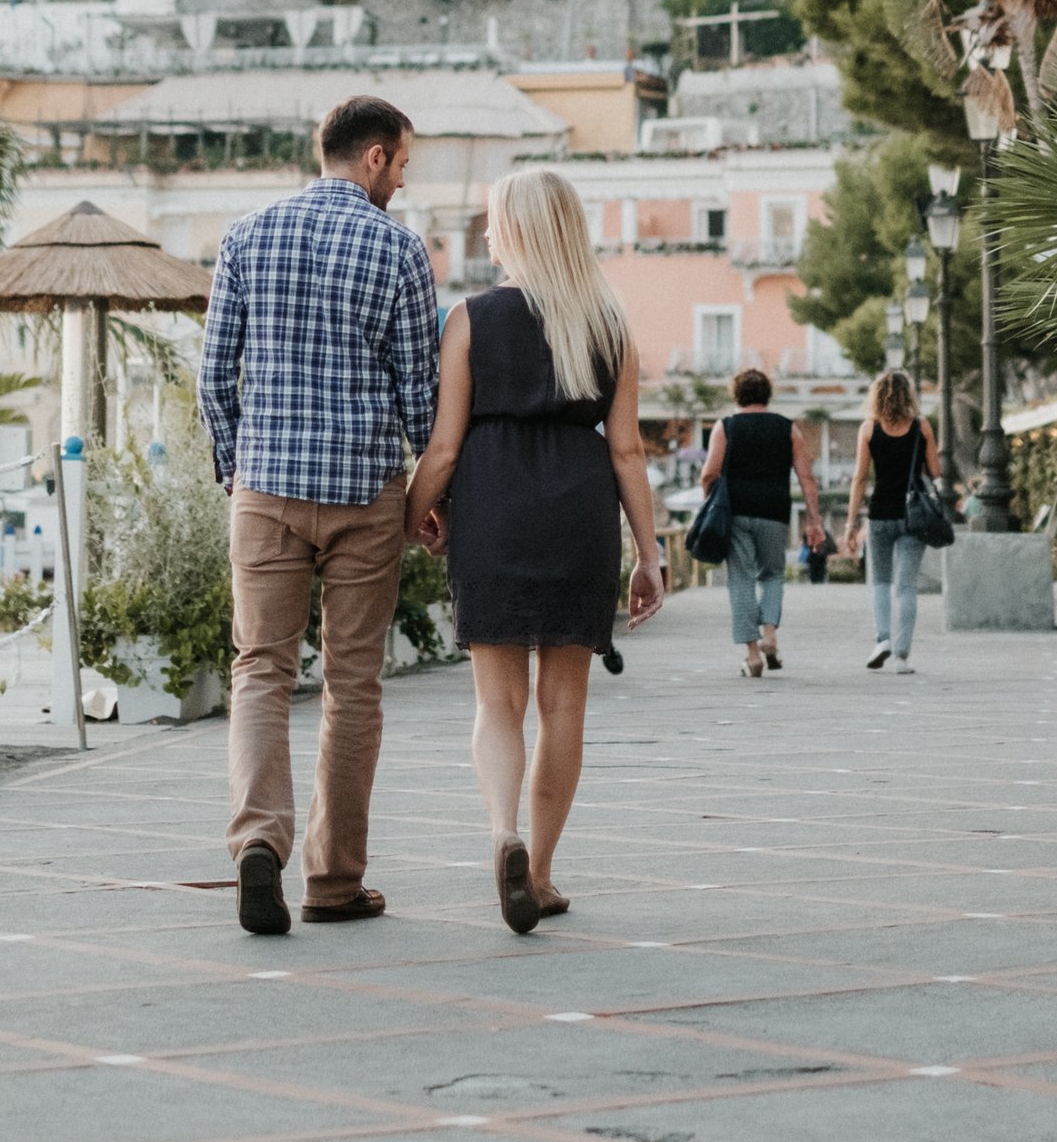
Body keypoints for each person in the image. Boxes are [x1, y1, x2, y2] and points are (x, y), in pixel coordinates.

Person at [198, 93, 439, 937]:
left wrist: (239, 472)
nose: (402, 182)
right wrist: (427, 498)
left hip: (265, 488)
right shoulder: (399, 252)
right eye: (402, 164)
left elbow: (212, 376)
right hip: (364, 498)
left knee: (261, 668)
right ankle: (333, 882)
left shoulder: (246, 236)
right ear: (373, 156)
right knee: (352, 684)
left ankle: (257, 842)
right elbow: (423, 395)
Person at [406, 165, 664, 936]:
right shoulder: (610, 325)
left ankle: (503, 835)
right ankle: (542, 874)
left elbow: (445, 446)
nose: (487, 232)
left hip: (492, 505)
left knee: (498, 703)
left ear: (516, 230)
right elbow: (626, 453)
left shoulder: (470, 320)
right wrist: (649, 555)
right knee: (563, 708)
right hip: (578, 512)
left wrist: (412, 517)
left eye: (493, 220)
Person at [697, 368, 823, 677]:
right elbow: (807, 479)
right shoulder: (788, 428)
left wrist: (709, 501)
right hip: (775, 511)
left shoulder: (725, 427)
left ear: (736, 394)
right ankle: (770, 634)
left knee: (740, 578)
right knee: (773, 574)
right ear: (767, 394)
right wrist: (814, 522)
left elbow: (708, 474)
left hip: (736, 511)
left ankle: (752, 656)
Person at [842, 369, 942, 676]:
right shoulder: (922, 427)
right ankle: (901, 656)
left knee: (881, 583)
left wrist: (849, 524)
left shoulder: (869, 429)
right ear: (907, 395)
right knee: (906, 586)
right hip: (914, 516)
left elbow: (860, 478)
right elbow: (936, 472)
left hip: (880, 514)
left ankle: (882, 639)